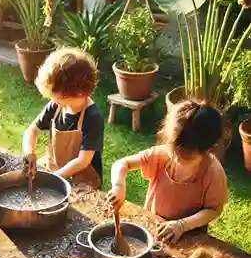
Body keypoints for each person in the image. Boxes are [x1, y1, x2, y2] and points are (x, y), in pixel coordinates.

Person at [108, 100, 228, 243]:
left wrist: (182, 225)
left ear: (208, 150)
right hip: (154, 226)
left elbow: (214, 210)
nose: (176, 160)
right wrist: (118, 187)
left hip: (189, 237)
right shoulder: (161, 155)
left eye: (185, 158)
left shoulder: (213, 172)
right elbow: (122, 164)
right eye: (174, 152)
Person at [22, 48, 105, 189]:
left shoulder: (93, 117)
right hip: (55, 167)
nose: (54, 99)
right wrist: (30, 152)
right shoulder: (56, 106)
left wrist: (55, 179)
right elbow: (32, 131)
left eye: (58, 96)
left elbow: (82, 161)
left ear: (79, 93)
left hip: (83, 178)